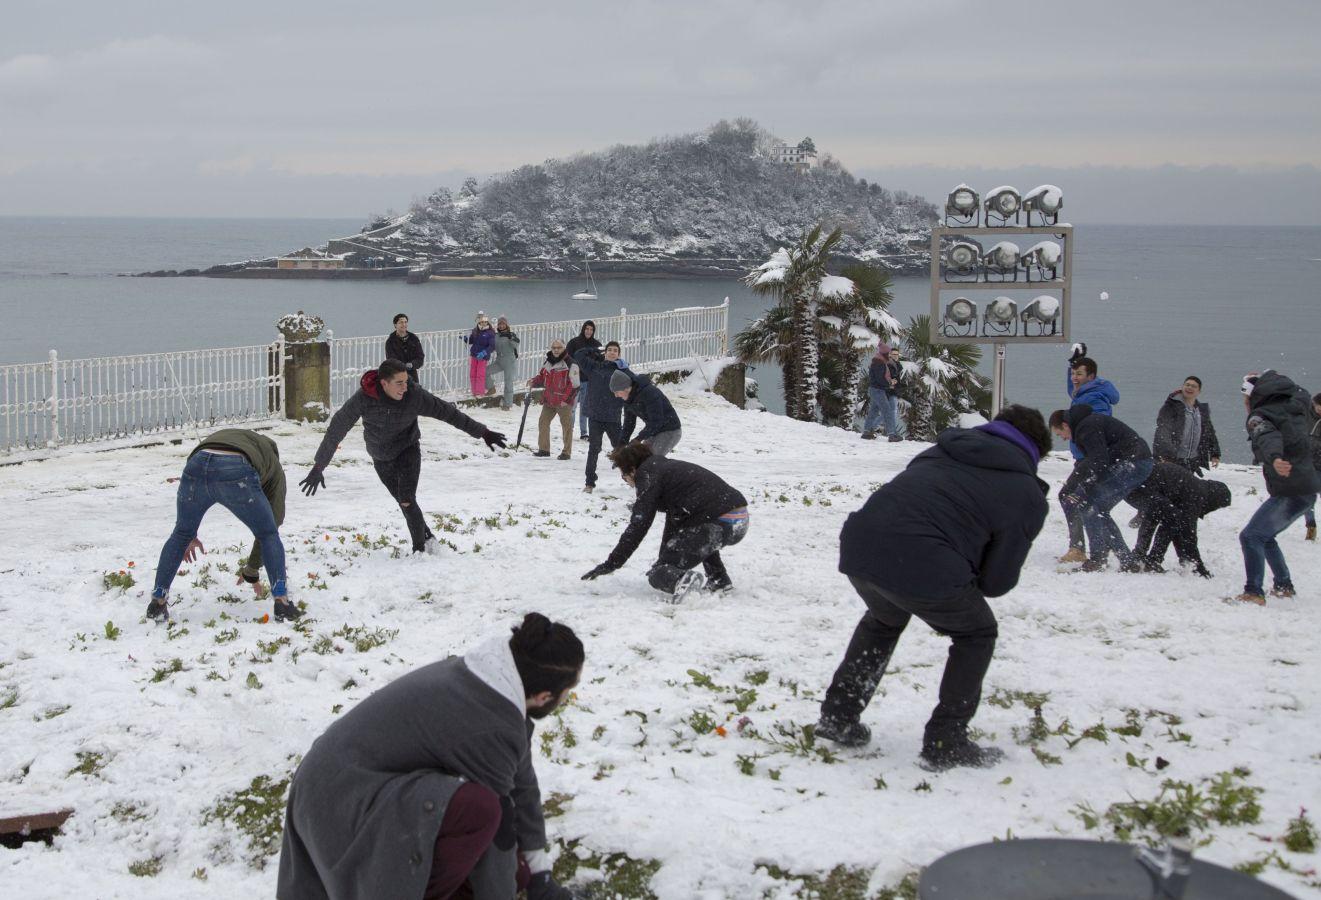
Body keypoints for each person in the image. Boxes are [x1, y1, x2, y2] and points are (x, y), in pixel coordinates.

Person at [277, 613, 583, 900]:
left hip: (338, 782)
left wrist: (539, 877)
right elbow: (499, 833)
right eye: (567, 692)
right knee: (481, 812)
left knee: (514, 869)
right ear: (544, 697)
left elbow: (523, 783)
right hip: (338, 798)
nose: (566, 698)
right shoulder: (492, 724)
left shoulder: (496, 683)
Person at [814, 405, 1051, 770]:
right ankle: (946, 740)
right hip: (923, 561)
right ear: (1036, 452)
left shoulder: (939, 450)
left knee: (883, 619)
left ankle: (838, 716)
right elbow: (997, 581)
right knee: (977, 633)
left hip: (861, 545)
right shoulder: (1025, 491)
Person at [300, 359, 507, 554]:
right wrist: (319, 466)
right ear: (384, 383)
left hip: (407, 449)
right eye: (399, 383)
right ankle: (427, 537)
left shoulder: (414, 396)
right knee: (403, 502)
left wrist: (483, 433)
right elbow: (337, 428)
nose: (405, 387)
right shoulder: (364, 399)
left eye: (406, 381)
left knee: (407, 499)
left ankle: (420, 550)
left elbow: (448, 413)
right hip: (380, 456)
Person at [148, 428, 298, 623]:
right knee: (268, 533)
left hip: (196, 464)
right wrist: (252, 569)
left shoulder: (236, 437)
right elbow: (273, 525)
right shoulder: (273, 466)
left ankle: (158, 601)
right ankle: (282, 602)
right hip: (236, 469)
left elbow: (203, 475)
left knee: (181, 533)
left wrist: (190, 533)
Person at [582, 441, 748, 598]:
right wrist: (665, 561)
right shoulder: (665, 469)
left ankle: (685, 586)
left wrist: (612, 563)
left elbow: (639, 524)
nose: (625, 481)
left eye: (623, 475)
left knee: (659, 574)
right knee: (694, 538)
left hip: (720, 522)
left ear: (631, 469)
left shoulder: (647, 475)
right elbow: (676, 528)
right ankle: (719, 580)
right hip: (738, 519)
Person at [1236, 371, 1320, 605]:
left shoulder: (1260, 416)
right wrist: (1266, 379)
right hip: (1303, 489)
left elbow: (1266, 436)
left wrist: (1273, 458)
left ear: (1254, 397)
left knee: (1250, 536)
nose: (1244, 403)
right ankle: (1284, 586)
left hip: (1291, 490)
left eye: (1245, 398)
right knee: (1265, 536)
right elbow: (1300, 391)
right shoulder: (1295, 406)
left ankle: (1253, 592)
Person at [1048, 406, 1153, 573]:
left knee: (1088, 504)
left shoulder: (1086, 427)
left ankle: (1098, 559)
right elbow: (1091, 461)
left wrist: (1083, 489)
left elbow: (1100, 461)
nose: (1062, 438)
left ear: (1065, 425)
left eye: (1060, 433)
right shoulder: (1087, 425)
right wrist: (1072, 486)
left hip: (1133, 462)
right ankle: (1126, 560)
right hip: (1139, 462)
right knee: (1099, 509)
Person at [1058, 343, 1121, 564]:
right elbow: (1072, 390)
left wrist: (1093, 455)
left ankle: (1080, 548)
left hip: (1091, 458)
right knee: (1088, 503)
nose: (1074, 377)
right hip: (1085, 458)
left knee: (1071, 498)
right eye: (1074, 374)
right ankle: (1118, 551)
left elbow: (1099, 426)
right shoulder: (1083, 393)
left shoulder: (1094, 398)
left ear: (1091, 376)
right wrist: (1073, 363)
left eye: (1079, 374)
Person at [1125, 462, 1231, 577]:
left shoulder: (1195, 487)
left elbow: (1180, 531)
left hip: (1134, 484)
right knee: (1167, 518)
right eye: (1218, 506)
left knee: (1162, 517)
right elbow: (1188, 534)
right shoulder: (1197, 494)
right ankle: (1149, 560)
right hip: (1144, 487)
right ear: (1215, 499)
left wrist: (1186, 559)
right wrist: (1198, 567)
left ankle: (1141, 558)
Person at [573, 340, 627, 494]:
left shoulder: (622, 371)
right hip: (595, 416)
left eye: (615, 350)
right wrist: (595, 350)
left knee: (621, 450)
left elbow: (632, 388)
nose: (611, 352)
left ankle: (630, 476)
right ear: (605, 353)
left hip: (613, 417)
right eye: (609, 350)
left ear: (619, 354)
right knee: (593, 449)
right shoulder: (594, 367)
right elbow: (578, 354)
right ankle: (589, 483)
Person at [1152, 376, 1220, 474]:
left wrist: (1215, 454)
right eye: (1187, 385)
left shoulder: (1201, 410)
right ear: (1182, 387)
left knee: (1186, 487)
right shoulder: (1170, 407)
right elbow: (1163, 431)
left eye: (1194, 386)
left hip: (1192, 460)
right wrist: (1165, 455)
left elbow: (1209, 432)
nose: (1189, 388)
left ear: (1199, 391)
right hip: (1173, 458)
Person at [610, 369, 682, 457]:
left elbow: (656, 421)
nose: (616, 396)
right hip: (653, 431)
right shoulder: (628, 400)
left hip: (670, 430)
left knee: (651, 461)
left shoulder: (649, 393)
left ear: (625, 388)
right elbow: (629, 425)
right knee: (641, 459)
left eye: (617, 392)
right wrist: (620, 446)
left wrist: (637, 439)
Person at [528, 340, 579, 460]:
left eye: (559, 348)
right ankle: (544, 449)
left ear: (564, 348)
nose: (556, 350)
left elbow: (575, 385)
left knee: (567, 427)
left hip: (563, 402)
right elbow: (542, 377)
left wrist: (566, 400)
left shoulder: (571, 363)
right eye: (554, 347)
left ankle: (566, 452)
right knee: (543, 422)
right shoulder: (548, 361)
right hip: (549, 400)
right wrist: (533, 381)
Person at [565, 321, 601, 440]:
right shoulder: (574, 342)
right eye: (587, 329)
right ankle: (568, 431)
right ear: (583, 329)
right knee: (572, 407)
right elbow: (566, 358)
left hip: (588, 380)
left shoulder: (596, 345)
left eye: (591, 329)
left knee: (585, 408)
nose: (589, 331)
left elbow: (599, 363)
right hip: (574, 380)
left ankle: (584, 432)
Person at [860, 344, 903, 442]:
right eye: (888, 353)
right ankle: (892, 435)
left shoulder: (879, 361)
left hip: (876, 389)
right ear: (884, 353)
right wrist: (890, 383)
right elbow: (880, 379)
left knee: (874, 411)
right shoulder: (879, 363)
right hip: (878, 390)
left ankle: (867, 432)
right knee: (887, 411)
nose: (889, 355)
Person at [486, 317, 521, 410]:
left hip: (509, 361)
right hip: (499, 361)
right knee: (485, 371)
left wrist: (511, 338)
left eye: (503, 324)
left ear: (506, 325)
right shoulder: (496, 336)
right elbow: (492, 346)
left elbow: (516, 344)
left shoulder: (511, 334)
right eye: (500, 324)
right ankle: (491, 388)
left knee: (508, 382)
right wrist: (484, 351)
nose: (501, 326)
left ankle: (507, 404)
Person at [1302, 393, 1321, 541]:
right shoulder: (1304, 415)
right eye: (1319, 407)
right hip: (1306, 462)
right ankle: (1311, 525)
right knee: (1307, 496)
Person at [464, 316, 498, 398]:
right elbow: (471, 341)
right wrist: (465, 339)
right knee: (472, 374)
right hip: (474, 354)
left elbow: (492, 346)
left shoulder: (490, 332)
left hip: (482, 356)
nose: (484, 323)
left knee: (480, 374)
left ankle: (480, 392)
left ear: (487, 323)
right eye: (482, 322)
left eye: (485, 322)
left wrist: (484, 353)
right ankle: (474, 391)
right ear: (479, 322)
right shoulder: (475, 331)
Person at [386, 313, 425, 384]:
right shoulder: (390, 341)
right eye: (401, 322)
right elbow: (391, 360)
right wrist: (403, 366)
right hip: (397, 377)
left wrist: (412, 364)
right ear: (395, 325)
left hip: (412, 376)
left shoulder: (413, 338)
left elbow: (420, 357)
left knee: (414, 394)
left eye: (405, 322)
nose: (404, 324)